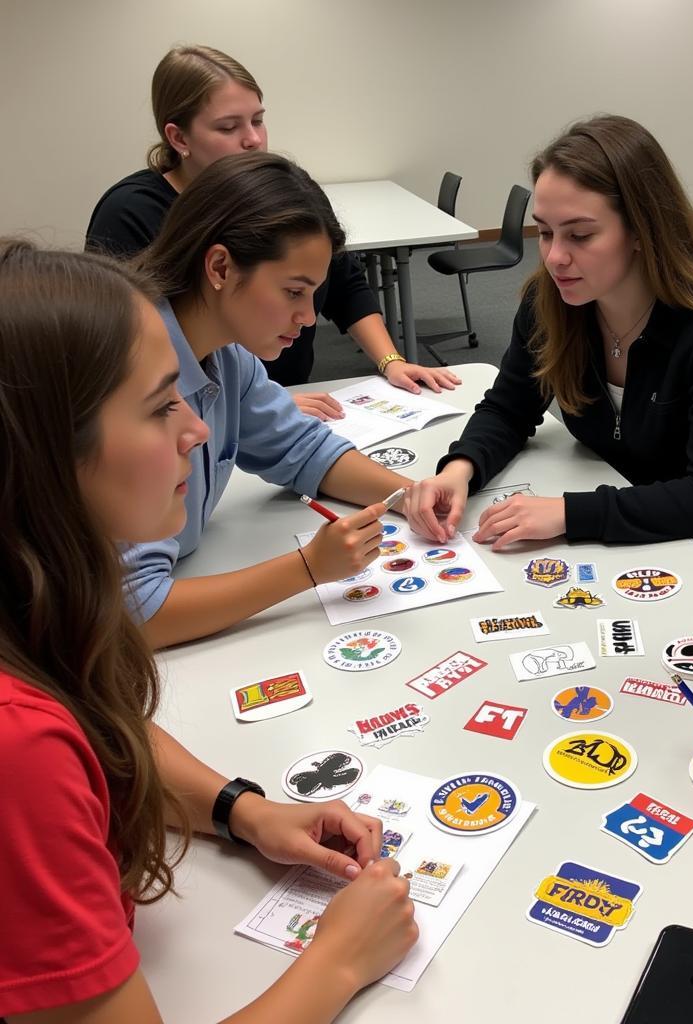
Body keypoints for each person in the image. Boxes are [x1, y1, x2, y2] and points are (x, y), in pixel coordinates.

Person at [0, 239, 417, 1020]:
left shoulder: (34, 610)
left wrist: (242, 810)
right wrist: (335, 963)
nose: (197, 429)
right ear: (51, 453)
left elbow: (99, 730)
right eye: (162, 406)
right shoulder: (17, 753)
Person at [404, 115, 693, 612]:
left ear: (641, 230)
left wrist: (570, 513)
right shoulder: (551, 304)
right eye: (546, 233)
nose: (554, 258)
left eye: (580, 236)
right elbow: (509, 407)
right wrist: (459, 471)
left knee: (668, 637)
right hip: (636, 505)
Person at [125, 150, 411, 650]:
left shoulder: (225, 354)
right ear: (219, 267)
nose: (307, 317)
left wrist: (407, 495)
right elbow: (135, 614)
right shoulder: (128, 379)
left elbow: (302, 449)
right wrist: (308, 568)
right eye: (293, 292)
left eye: (314, 295)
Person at [86, 43, 459, 416]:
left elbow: (344, 282)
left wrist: (390, 360)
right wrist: (254, 401)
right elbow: (127, 348)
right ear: (179, 138)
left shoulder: (285, 190)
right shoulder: (131, 212)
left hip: (290, 393)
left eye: (258, 120)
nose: (253, 139)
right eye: (229, 127)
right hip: (193, 410)